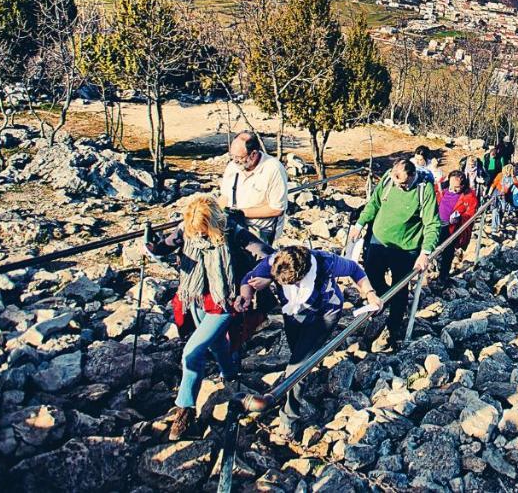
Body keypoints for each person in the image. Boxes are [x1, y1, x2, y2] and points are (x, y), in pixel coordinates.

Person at [148, 194, 269, 441]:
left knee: (192, 352)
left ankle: (185, 411)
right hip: (196, 298)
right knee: (216, 343)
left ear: (213, 224)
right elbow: (167, 245)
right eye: (195, 231)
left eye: (203, 231)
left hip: (224, 303)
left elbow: (266, 255)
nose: (199, 236)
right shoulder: (187, 230)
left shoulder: (235, 234)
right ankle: (230, 373)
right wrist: (153, 247)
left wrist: (258, 280)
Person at [234, 245, 382, 433]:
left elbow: (354, 269)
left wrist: (369, 293)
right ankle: (301, 376)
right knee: (297, 351)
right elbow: (248, 279)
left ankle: (289, 418)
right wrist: (246, 295)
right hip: (293, 313)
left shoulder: (324, 261)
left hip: (324, 313)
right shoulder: (275, 261)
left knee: (297, 367)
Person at [347, 160, 439, 351]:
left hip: (406, 247)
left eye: (404, 183)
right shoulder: (389, 180)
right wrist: (359, 224)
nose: (400, 186)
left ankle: (393, 325)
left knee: (400, 286)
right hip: (379, 239)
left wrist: (425, 252)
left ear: (412, 176)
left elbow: (432, 224)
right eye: (397, 182)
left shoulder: (425, 190)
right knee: (370, 275)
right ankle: (383, 300)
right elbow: (374, 203)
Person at [220, 131, 290, 245]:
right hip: (234, 225)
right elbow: (224, 197)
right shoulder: (233, 166)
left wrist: (241, 213)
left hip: (260, 231)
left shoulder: (273, 169)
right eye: (232, 156)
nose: (235, 160)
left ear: (253, 154)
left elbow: (277, 209)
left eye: (239, 157)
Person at [434, 170, 480, 289]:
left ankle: (443, 276)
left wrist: (459, 218)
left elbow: (471, 214)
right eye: (451, 185)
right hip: (435, 224)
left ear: (463, 185)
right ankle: (433, 265)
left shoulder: (469, 196)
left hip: (452, 228)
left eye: (457, 187)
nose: (453, 189)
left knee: (448, 252)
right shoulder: (440, 188)